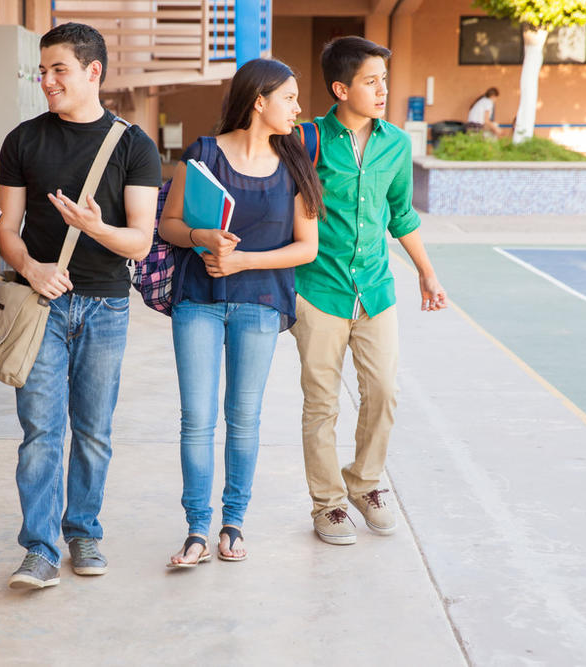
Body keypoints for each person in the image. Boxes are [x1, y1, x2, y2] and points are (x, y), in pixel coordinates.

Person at [0, 22, 161, 590]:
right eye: (42, 70)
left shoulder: (134, 145)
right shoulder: (22, 140)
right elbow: (7, 231)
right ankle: (39, 549)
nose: (47, 81)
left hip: (106, 306)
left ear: (93, 72)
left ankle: (83, 529)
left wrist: (96, 227)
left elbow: (140, 240)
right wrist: (32, 268)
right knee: (40, 430)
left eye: (58, 69)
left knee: (92, 430)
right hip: (40, 306)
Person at [159, 58, 320, 567]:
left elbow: (306, 248)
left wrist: (244, 260)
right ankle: (196, 530)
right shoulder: (204, 155)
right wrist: (199, 236)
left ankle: (233, 523)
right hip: (198, 303)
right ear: (259, 100)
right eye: (289, 97)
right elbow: (169, 225)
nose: (297, 108)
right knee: (197, 419)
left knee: (243, 419)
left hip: (260, 304)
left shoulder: (296, 165)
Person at [291, 36, 447, 546]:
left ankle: (364, 482)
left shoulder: (396, 144)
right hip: (319, 289)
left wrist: (425, 271)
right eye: (371, 81)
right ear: (341, 88)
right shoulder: (306, 139)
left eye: (385, 79)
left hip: (376, 289)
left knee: (383, 391)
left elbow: (400, 214)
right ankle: (328, 504)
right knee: (321, 403)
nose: (383, 90)